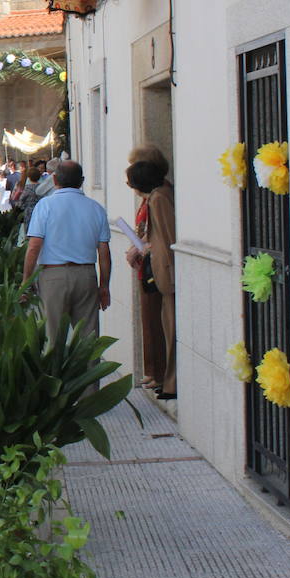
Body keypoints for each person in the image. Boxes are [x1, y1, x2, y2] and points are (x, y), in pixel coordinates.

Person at [23, 161, 112, 344]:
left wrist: (26, 279)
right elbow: (104, 251)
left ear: (54, 179)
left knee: (53, 337)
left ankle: (55, 373)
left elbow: (34, 246)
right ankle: (90, 370)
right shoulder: (96, 208)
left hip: (53, 275)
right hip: (86, 274)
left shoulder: (45, 206)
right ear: (82, 181)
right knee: (88, 338)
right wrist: (104, 286)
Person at [126, 156, 176, 400]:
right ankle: (166, 380)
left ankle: (170, 383)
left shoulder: (158, 199)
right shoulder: (156, 197)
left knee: (169, 327)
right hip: (160, 269)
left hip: (164, 271)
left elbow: (166, 237)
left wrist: (145, 249)